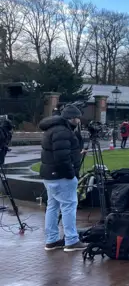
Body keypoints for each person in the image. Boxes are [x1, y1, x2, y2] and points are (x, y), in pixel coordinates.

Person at [39, 105, 87, 252]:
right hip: (60, 176)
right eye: (77, 117)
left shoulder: (53, 128)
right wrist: (71, 173)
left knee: (52, 207)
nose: (79, 120)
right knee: (69, 206)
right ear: (72, 118)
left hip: (49, 174)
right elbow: (62, 157)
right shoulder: (63, 131)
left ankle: (52, 240)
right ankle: (71, 240)